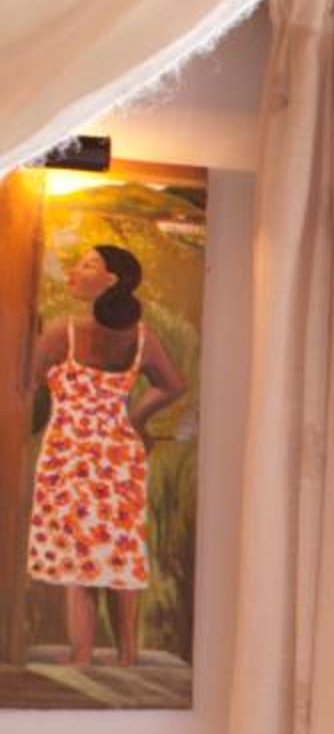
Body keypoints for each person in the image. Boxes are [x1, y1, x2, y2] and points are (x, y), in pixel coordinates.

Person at [27, 245, 188, 669]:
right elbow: (173, 385)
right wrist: (134, 417)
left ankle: (81, 655)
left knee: (78, 558)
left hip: (69, 455)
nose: (75, 271)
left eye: (87, 265)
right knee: (120, 553)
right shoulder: (142, 339)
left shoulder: (63, 333)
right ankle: (127, 655)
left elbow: (24, 382)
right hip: (118, 453)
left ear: (111, 280)